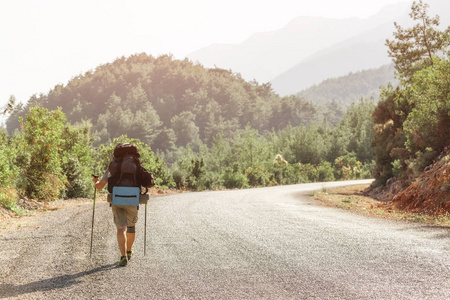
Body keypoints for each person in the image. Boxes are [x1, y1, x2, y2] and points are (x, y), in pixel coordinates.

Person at [92, 170, 138, 267]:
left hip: (117, 200)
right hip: (133, 199)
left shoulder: (113, 166)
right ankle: (129, 251)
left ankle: (123, 256)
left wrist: (96, 182)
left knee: (121, 228)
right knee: (131, 227)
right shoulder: (135, 164)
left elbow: (99, 187)